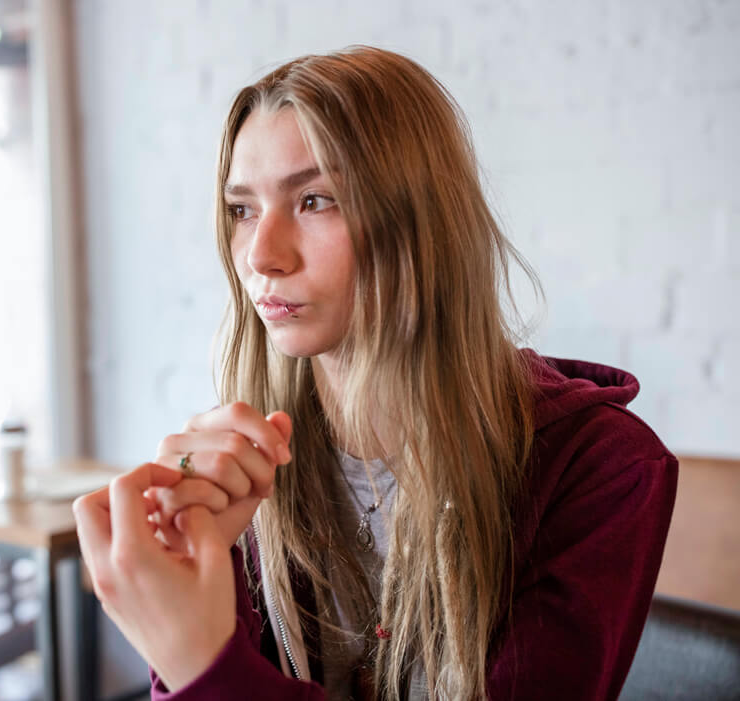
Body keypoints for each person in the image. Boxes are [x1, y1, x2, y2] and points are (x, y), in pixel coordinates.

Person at [72, 46, 678, 700]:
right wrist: (197, 590)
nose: (262, 255)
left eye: (315, 199)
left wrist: (202, 662)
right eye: (243, 208)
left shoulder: (601, 468)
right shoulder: (248, 462)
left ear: (420, 224)